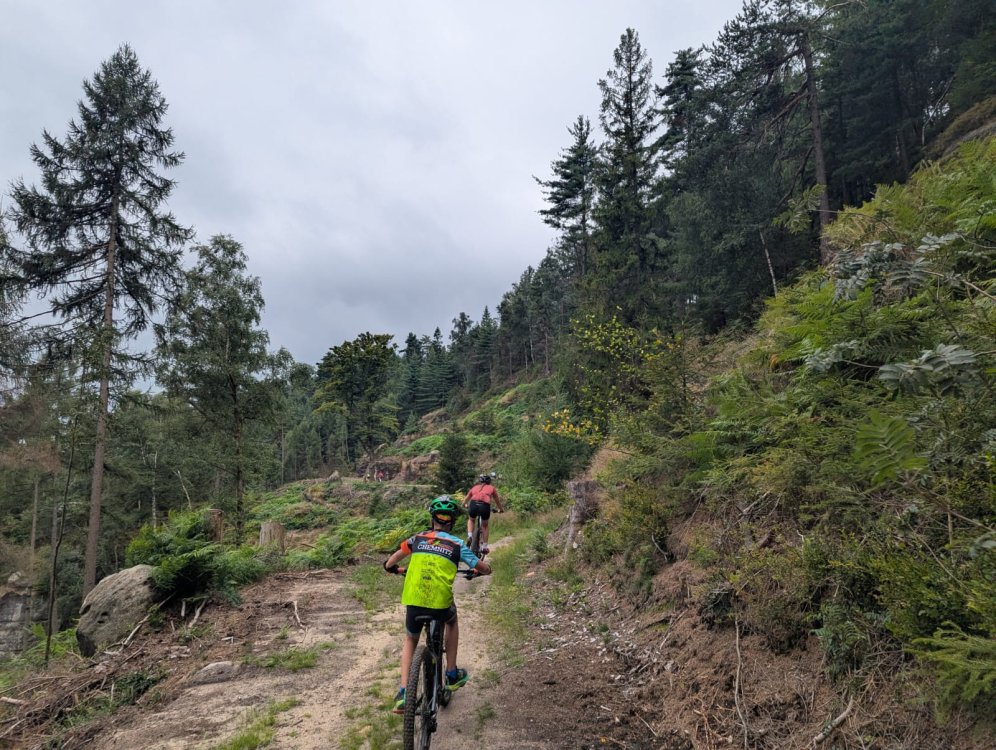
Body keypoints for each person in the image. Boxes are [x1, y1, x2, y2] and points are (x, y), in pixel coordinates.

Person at [383, 495, 491, 714]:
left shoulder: (416, 539)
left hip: (414, 600)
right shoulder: (457, 544)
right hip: (440, 604)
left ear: (432, 519)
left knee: (410, 639)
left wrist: (391, 567)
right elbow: (482, 567)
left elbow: (391, 561)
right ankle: (451, 673)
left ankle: (403, 693)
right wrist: (484, 570)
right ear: (452, 522)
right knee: (452, 621)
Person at [463, 473, 505, 552]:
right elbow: (497, 500)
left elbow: (465, 499)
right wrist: (501, 509)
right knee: (485, 526)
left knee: (471, 519)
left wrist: (465, 505)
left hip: (473, 504)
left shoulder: (475, 487)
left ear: (480, 481)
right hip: (485, 506)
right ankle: (485, 547)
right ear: (489, 482)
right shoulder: (492, 488)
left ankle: (470, 536)